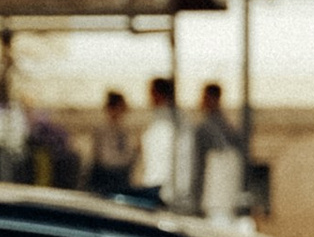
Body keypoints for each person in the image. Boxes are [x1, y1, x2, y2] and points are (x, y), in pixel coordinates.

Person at [192, 81, 247, 223]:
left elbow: (199, 166)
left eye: (204, 98)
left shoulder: (207, 128)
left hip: (215, 197)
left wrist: (196, 198)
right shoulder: (228, 128)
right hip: (225, 198)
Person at [133, 75, 184, 210]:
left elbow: (158, 161)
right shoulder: (165, 120)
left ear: (158, 94)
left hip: (159, 190)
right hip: (162, 187)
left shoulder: (165, 124)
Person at [87, 92, 139, 200]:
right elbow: (106, 159)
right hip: (107, 178)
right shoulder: (102, 129)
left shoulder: (122, 129)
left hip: (119, 177)